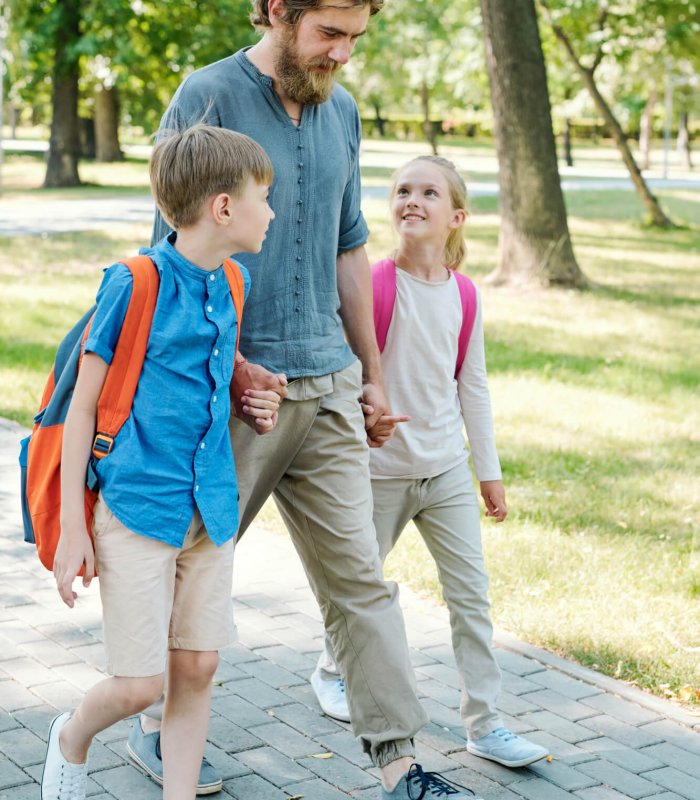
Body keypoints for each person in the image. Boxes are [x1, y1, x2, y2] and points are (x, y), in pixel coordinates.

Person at [129, 2, 484, 798]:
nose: (343, 55)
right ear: (279, 13)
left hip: (325, 381)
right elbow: (170, 252)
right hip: (233, 392)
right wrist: (235, 362)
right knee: (189, 565)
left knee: (360, 579)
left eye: (356, 38)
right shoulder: (207, 95)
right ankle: (156, 729)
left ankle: (402, 764)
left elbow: (348, 245)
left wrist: (372, 373)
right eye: (330, 34)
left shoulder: (343, 110)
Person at [41, 124, 281, 800]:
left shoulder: (233, 280)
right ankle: (72, 736)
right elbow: (81, 407)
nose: (272, 211)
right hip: (140, 505)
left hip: (210, 505)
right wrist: (73, 531)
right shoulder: (133, 281)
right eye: (264, 196)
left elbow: (206, 377)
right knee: (140, 683)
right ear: (224, 208)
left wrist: (247, 396)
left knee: (199, 664)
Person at [311, 155, 550, 769]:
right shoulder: (375, 284)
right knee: (360, 590)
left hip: (443, 471)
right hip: (379, 472)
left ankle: (486, 723)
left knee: (471, 597)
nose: (411, 199)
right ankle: (329, 669)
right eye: (402, 190)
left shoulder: (466, 295)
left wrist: (486, 472)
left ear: (456, 216)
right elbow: (351, 374)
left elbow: (473, 387)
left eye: (428, 192)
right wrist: (367, 419)